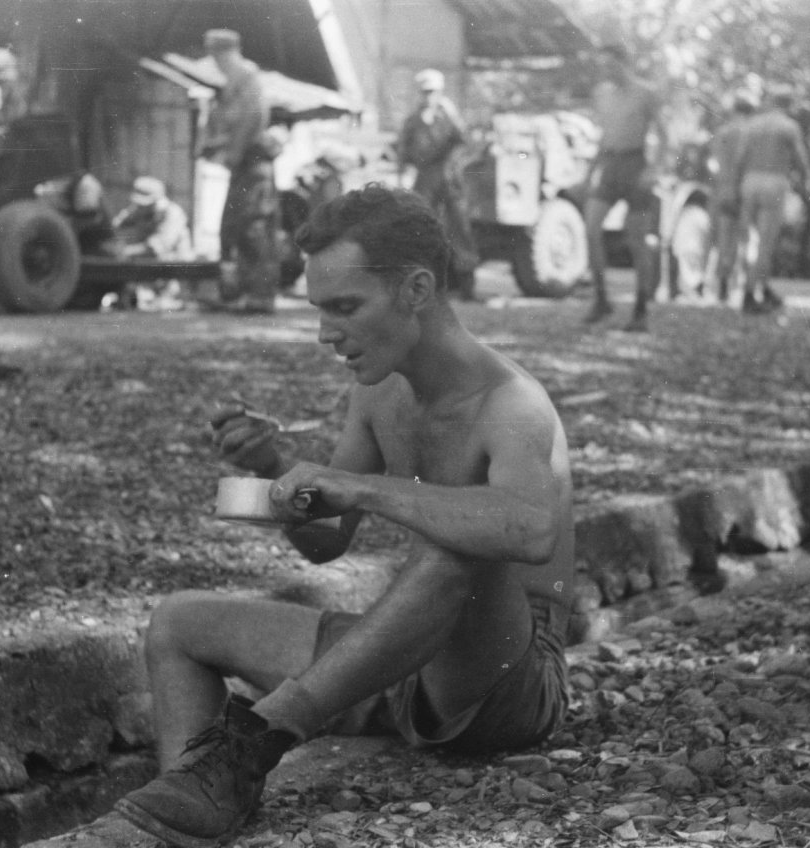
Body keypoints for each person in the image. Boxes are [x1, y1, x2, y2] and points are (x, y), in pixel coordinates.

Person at [113, 185, 575, 848]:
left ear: (417, 290)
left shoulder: (513, 403)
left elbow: (530, 531)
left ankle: (257, 739)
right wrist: (272, 468)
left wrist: (360, 487)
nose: (326, 334)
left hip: (510, 680)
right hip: (412, 660)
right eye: (319, 310)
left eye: (345, 307)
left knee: (455, 549)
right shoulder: (378, 395)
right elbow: (326, 539)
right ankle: (193, 802)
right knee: (178, 622)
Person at [582, 43, 666, 333]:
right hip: (610, 166)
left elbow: (664, 134)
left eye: (611, 64)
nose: (607, 70)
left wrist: (654, 169)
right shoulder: (602, 94)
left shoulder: (646, 92)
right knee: (591, 227)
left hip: (636, 165)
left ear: (624, 63)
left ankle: (641, 309)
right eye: (603, 65)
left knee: (636, 239)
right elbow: (604, 136)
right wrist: (590, 172)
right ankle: (601, 299)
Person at [199, 28, 281, 313]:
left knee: (253, 228)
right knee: (235, 228)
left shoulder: (246, 76)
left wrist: (232, 150)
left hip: (254, 164)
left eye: (215, 54)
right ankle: (242, 293)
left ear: (223, 52)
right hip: (243, 166)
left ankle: (260, 296)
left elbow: (253, 116)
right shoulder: (232, 81)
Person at [397, 69, 479, 301]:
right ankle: (425, 285)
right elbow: (403, 154)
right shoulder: (413, 121)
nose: (428, 97)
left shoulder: (448, 116)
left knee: (460, 229)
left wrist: (454, 160)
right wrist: (404, 177)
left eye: (432, 92)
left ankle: (467, 286)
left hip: (449, 178)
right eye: (424, 92)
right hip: (425, 179)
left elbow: (465, 141)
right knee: (421, 229)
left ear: (440, 92)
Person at [735, 83, 810, 314]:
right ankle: (749, 295)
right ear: (789, 104)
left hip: (749, 181)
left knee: (749, 240)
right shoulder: (788, 126)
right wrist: (807, 180)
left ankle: (763, 288)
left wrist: (736, 187)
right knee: (765, 242)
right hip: (774, 181)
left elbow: (740, 159)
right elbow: (801, 159)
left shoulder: (752, 125)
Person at [703, 90, 758, 304]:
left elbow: (714, 162)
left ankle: (721, 283)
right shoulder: (751, 133)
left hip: (722, 189)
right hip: (744, 189)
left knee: (723, 237)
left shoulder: (722, 132)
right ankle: (740, 284)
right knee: (744, 238)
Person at [112, 176, 194, 260]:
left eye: (145, 203)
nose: (141, 207)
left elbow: (159, 247)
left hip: (175, 263)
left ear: (158, 200)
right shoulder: (139, 209)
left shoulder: (173, 213)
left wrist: (126, 251)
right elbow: (116, 225)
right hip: (148, 262)